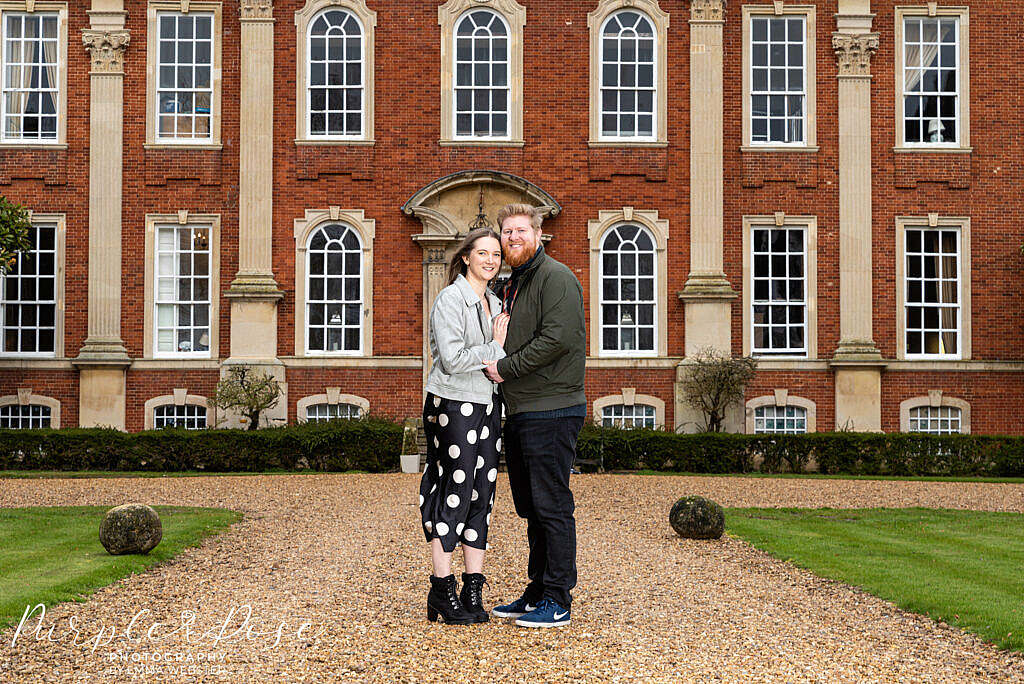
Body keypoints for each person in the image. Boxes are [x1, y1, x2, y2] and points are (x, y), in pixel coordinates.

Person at [483, 203, 586, 629]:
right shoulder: (515, 283)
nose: (513, 238)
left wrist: (502, 368)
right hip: (522, 410)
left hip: (553, 408)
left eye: (521, 230)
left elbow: (557, 340)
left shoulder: (556, 277)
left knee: (551, 504)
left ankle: (558, 598)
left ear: (539, 234)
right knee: (531, 506)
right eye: (507, 232)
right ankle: (538, 588)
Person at [419, 227, 510, 625]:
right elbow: (453, 360)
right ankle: (442, 590)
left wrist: (500, 369)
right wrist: (496, 349)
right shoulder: (450, 299)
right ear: (466, 257)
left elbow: (493, 365)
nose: (491, 260)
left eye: (496, 254)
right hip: (453, 405)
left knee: (482, 495)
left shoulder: (492, 301)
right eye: (483, 253)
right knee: (454, 492)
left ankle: (472, 587)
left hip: (487, 405)